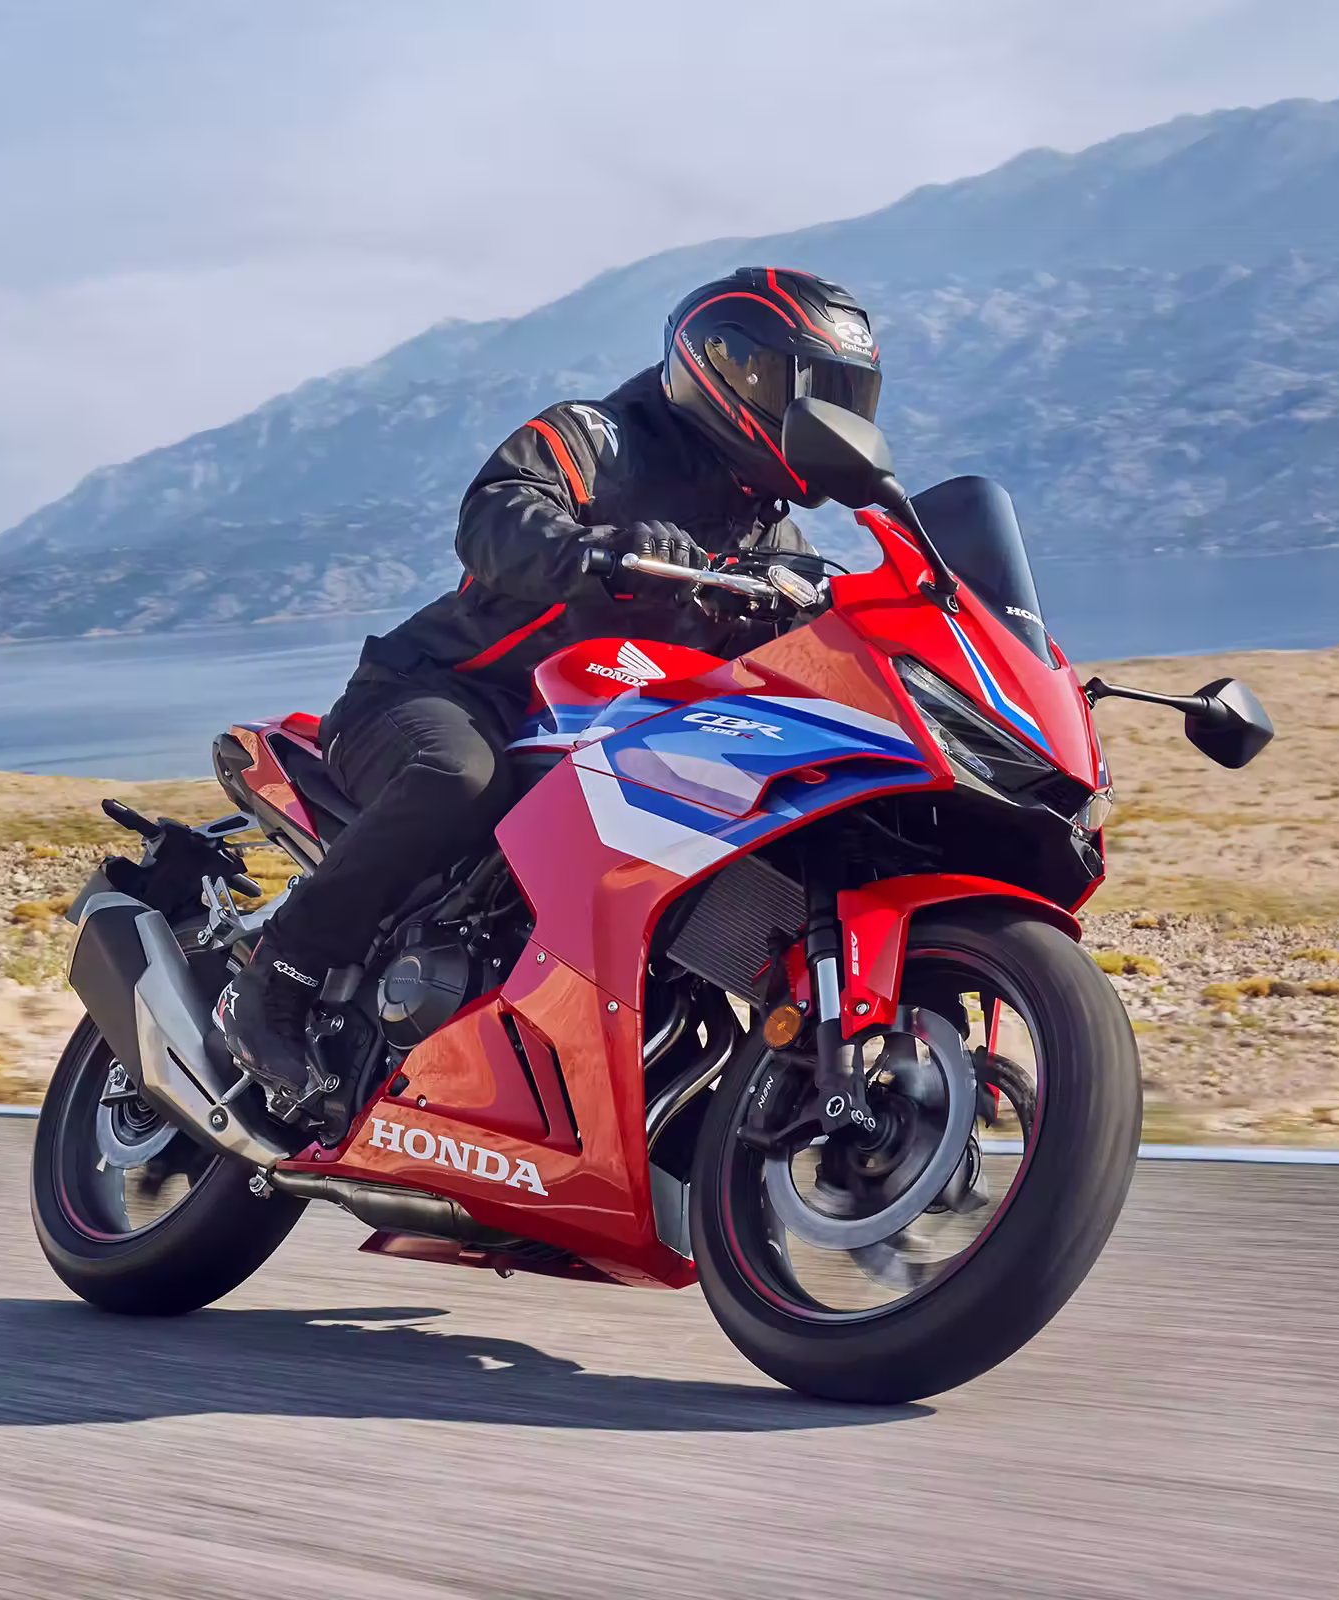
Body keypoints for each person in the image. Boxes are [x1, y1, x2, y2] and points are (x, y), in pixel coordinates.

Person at [213, 266, 885, 1125]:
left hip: (590, 734)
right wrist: (597, 550)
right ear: (733, 367)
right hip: (441, 694)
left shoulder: (772, 538)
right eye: (809, 390)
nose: (824, 418)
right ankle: (276, 984)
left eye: (844, 399)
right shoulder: (600, 438)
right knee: (460, 776)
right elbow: (495, 514)